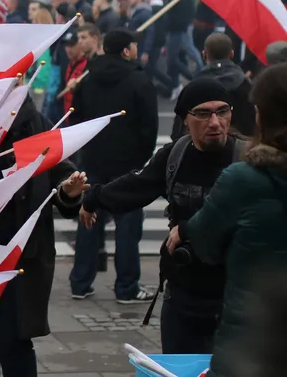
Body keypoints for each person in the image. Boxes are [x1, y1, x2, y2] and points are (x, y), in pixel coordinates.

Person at [80, 78, 248, 353]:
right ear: (184, 119)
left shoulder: (247, 160)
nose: (215, 122)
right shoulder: (175, 156)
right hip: (182, 294)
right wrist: (93, 198)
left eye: (223, 111)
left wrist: (189, 229)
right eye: (203, 113)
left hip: (234, 299)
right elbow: (137, 186)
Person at [168, 64, 287, 377]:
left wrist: (186, 228)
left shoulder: (243, 179)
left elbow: (206, 245)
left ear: (261, 115)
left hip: (254, 343)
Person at [0, 95, 88, 377]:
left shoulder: (35, 124)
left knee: (13, 340)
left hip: (21, 255)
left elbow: (60, 170)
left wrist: (68, 190)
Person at [69, 29, 158, 303]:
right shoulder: (139, 80)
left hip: (93, 160)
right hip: (127, 164)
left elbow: (77, 121)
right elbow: (149, 127)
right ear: (126, 51)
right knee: (128, 227)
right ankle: (127, 287)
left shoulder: (88, 79)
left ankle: (80, 283)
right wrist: (141, 160)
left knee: (88, 219)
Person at [193, 33, 254, 138]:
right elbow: (251, 123)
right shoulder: (245, 84)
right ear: (232, 54)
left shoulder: (194, 86)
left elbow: (179, 128)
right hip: (241, 145)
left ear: (204, 55)